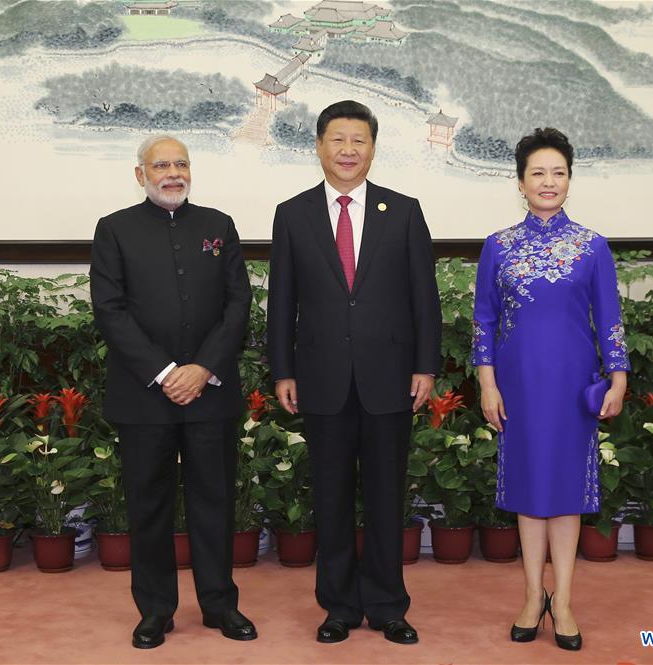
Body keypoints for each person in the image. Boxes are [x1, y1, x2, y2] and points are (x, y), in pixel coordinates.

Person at [267, 100, 441, 645]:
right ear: (319, 146)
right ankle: (338, 605)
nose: (348, 150)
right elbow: (282, 303)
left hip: (390, 377)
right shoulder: (292, 214)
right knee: (332, 498)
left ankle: (389, 605)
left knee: (388, 496)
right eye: (337, 140)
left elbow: (424, 300)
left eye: (358, 140)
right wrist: (283, 370)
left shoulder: (405, 210)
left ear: (372, 147)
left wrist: (426, 366)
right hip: (320, 377)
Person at [90, 134, 256, 649]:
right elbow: (109, 310)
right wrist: (166, 372)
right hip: (144, 396)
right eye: (160, 165)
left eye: (181, 163)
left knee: (214, 502)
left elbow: (238, 305)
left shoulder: (218, 225)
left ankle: (220, 605)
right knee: (149, 506)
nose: (173, 173)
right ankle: (155, 610)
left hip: (211, 391)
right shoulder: (114, 229)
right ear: (139, 174)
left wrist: (203, 367)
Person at [471, 128, 630, 651]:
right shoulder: (498, 246)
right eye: (537, 173)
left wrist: (619, 376)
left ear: (569, 180)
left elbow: (610, 318)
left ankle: (562, 600)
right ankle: (529, 596)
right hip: (516, 387)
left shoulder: (592, 246)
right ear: (520, 182)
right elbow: (484, 322)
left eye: (558, 173)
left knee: (565, 494)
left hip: (571, 385)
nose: (548, 182)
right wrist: (487, 384)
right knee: (526, 492)